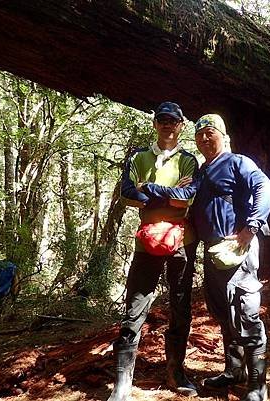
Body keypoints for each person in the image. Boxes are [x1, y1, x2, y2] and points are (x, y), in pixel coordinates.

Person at [141, 114, 270, 401]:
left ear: (223, 136)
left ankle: (257, 386)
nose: (203, 138)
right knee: (222, 309)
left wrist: (250, 228)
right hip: (212, 250)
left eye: (210, 132)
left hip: (237, 247)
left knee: (245, 310)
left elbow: (266, 188)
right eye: (199, 134)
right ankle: (234, 370)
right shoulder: (202, 170)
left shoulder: (239, 162)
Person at [107, 101, 199, 401]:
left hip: (180, 241)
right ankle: (122, 383)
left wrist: (152, 191)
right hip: (146, 241)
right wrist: (165, 196)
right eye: (162, 120)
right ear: (155, 123)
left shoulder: (188, 161)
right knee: (135, 305)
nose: (167, 124)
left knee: (181, 305)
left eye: (173, 120)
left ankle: (176, 371)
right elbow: (127, 194)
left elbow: (186, 198)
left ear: (181, 125)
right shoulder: (138, 157)